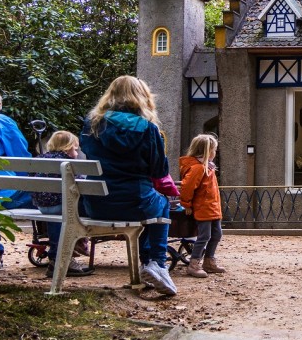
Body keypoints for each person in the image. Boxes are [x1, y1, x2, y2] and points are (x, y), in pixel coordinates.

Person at [79, 76, 178, 296]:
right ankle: (157, 263)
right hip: (135, 203)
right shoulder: (148, 129)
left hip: (96, 205)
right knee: (160, 203)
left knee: (149, 205)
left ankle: (150, 265)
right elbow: (159, 171)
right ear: (143, 98)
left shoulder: (91, 124)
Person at [31, 131, 93, 277]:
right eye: (75, 149)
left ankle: (56, 258)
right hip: (61, 206)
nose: (77, 153)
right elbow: (81, 185)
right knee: (82, 203)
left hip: (43, 208)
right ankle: (65, 258)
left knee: (60, 215)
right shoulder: (68, 163)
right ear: (67, 148)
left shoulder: (41, 159)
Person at [178, 134, 225, 278]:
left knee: (216, 234)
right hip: (204, 208)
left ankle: (209, 261)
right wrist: (186, 204)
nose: (215, 153)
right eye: (214, 150)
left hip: (212, 208)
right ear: (207, 151)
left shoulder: (208, 168)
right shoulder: (198, 168)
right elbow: (187, 187)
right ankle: (194, 264)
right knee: (204, 236)